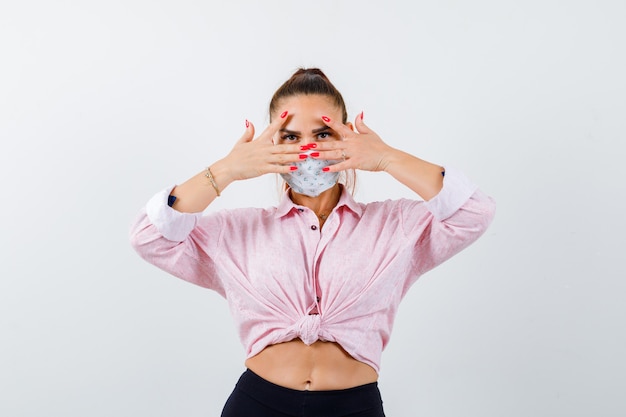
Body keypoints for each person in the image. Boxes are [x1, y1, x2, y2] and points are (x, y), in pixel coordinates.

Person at [129, 68, 496, 417]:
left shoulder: (394, 224)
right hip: (257, 404)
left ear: (346, 137)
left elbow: (473, 211)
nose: (307, 150)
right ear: (272, 147)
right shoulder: (237, 232)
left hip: (355, 407)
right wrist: (226, 170)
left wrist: (386, 158)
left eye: (322, 134)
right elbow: (149, 236)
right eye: (290, 137)